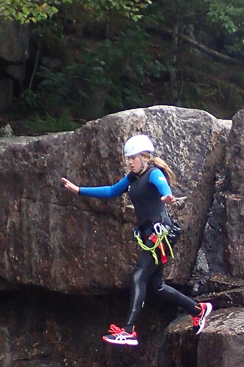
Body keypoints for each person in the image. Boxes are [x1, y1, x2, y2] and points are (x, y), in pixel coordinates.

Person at [61, 134, 214, 347]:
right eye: (128, 158)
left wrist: (168, 197)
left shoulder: (154, 173)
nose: (130, 162)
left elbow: (164, 188)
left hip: (162, 233)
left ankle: (129, 331)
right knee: (156, 286)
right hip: (150, 234)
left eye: (133, 158)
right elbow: (111, 191)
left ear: (144, 157)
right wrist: (79, 190)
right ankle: (199, 310)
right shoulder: (132, 179)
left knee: (138, 275)